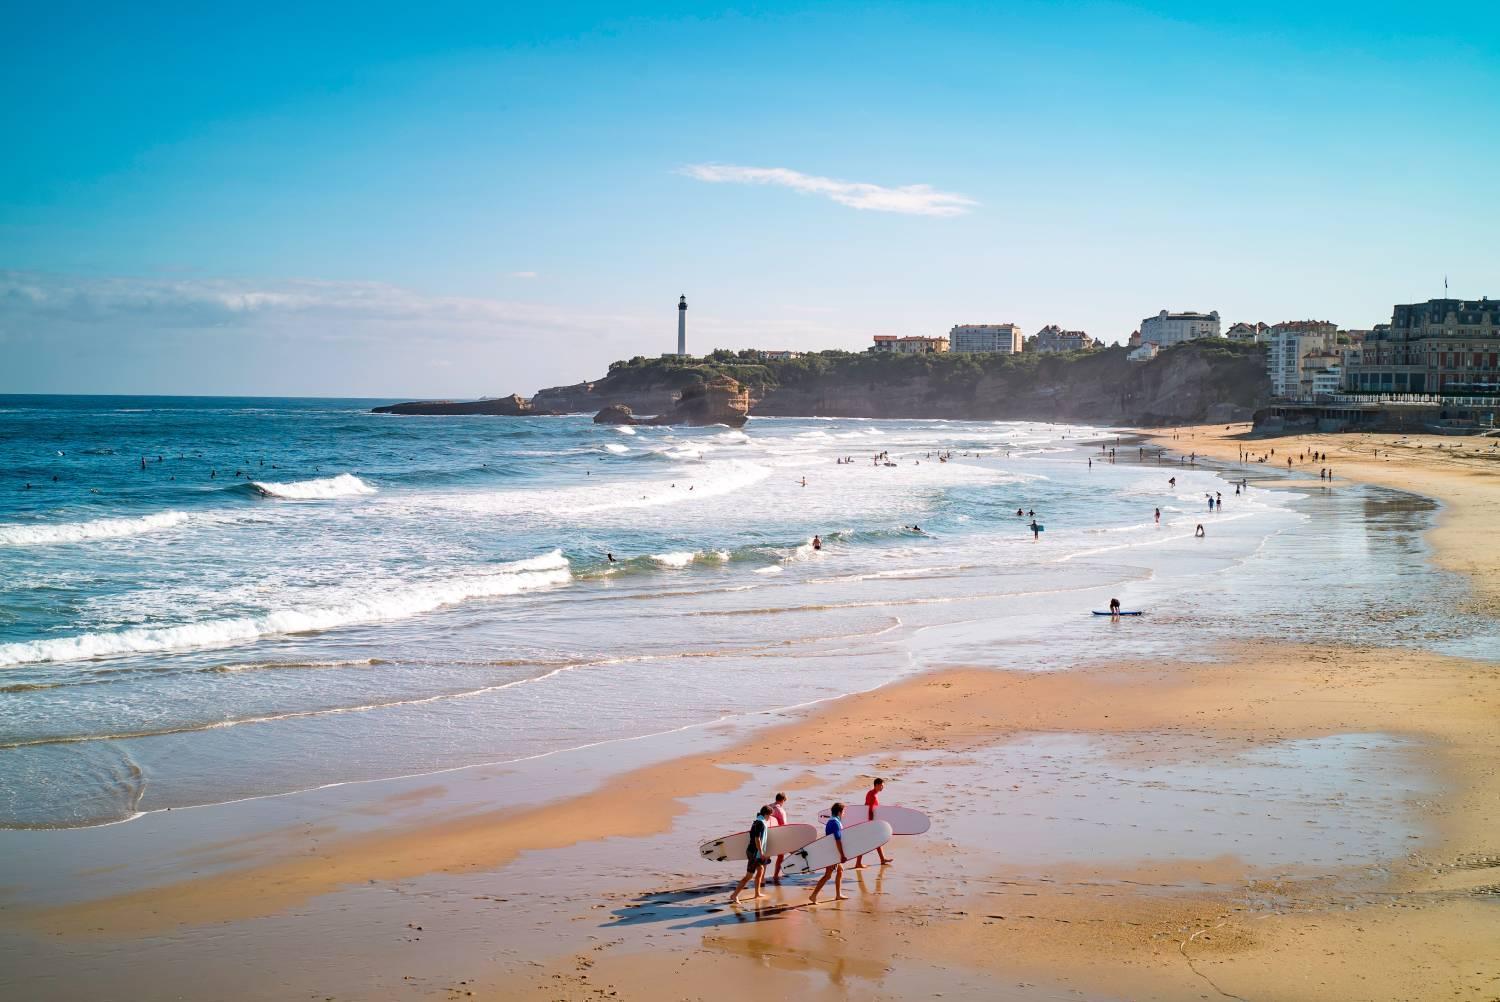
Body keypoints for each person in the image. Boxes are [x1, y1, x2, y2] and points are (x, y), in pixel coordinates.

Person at [729, 805, 774, 904]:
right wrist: (761, 852)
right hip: (754, 853)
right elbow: (757, 839)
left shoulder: (758, 821)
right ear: (766, 814)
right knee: (749, 876)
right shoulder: (760, 823)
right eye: (770, 815)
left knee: (760, 870)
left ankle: (757, 893)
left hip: (755, 852)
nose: (770, 817)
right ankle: (734, 895)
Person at [809, 803, 848, 904]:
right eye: (843, 811)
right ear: (839, 812)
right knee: (827, 875)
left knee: (840, 870)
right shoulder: (835, 823)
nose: (844, 813)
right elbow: (837, 840)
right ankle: (813, 896)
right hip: (832, 853)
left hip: (831, 851)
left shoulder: (831, 821)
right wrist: (842, 855)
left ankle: (838, 894)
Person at [853, 778, 893, 868]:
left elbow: (865, 806)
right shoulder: (873, 795)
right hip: (870, 822)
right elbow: (870, 810)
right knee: (864, 842)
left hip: (868, 821)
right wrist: (871, 823)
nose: (883, 787)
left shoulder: (871, 793)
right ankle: (858, 863)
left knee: (878, 840)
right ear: (877, 785)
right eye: (882, 785)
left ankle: (882, 859)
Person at [769, 792, 789, 883]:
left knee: (766, 856)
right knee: (780, 855)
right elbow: (783, 825)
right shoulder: (780, 810)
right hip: (778, 835)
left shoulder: (768, 807)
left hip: (768, 835)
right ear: (783, 800)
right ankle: (776, 875)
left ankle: (761, 878)